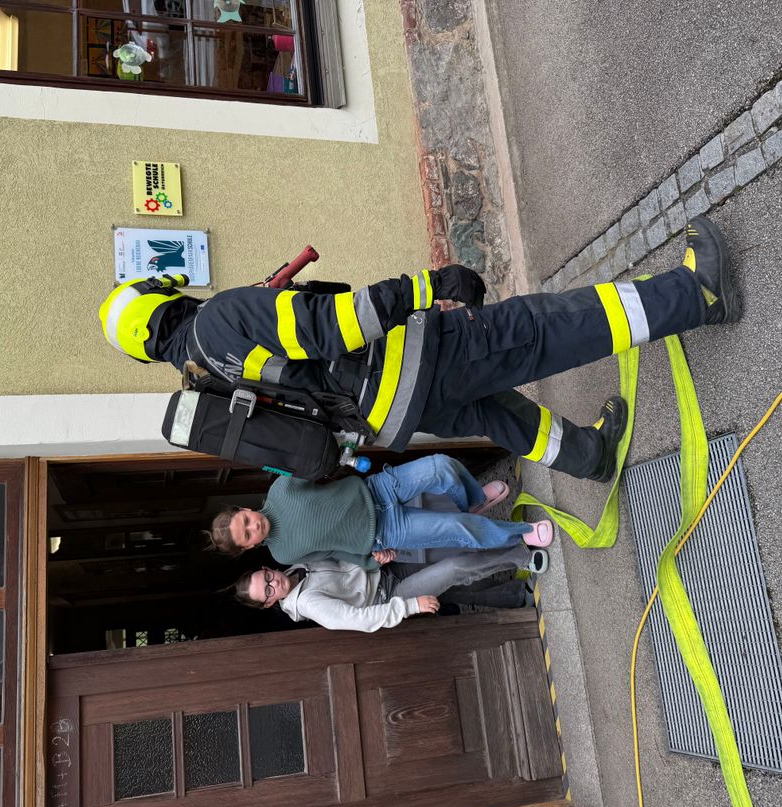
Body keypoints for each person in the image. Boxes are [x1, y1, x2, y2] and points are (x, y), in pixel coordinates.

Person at [100, 216, 738, 481]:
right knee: (547, 327)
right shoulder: (222, 317)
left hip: (392, 416)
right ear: (162, 297)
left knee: (498, 415)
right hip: (416, 361)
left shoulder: (204, 377)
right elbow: (334, 327)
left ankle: (589, 456)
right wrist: (430, 285)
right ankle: (698, 294)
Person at [207, 453, 554, 569]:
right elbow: (333, 554)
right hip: (386, 532)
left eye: (246, 521)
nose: (254, 527)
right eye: (247, 535)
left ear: (245, 509)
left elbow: (316, 460)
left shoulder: (280, 487)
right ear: (249, 547)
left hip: (377, 488)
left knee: (441, 467)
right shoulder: (283, 554)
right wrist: (372, 560)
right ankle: (524, 535)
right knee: (457, 528)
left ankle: (474, 499)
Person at [233, 547, 545, 632]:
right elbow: (360, 620)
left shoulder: (294, 565)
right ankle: (523, 557)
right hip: (391, 597)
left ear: (267, 568)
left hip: (385, 569)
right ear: (267, 604)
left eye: (267, 577)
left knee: (456, 586)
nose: (274, 583)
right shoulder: (310, 604)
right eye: (268, 592)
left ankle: (518, 595)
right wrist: (410, 607)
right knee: (453, 570)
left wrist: (370, 558)